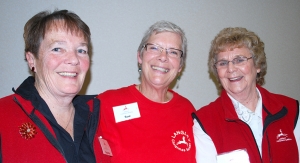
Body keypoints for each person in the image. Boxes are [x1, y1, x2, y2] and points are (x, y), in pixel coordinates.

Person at [0, 9, 109, 163]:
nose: (74, 59)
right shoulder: (3, 116)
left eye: (81, 50)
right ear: (32, 60)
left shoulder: (100, 117)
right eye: (57, 49)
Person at [92, 20, 196, 163]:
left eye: (173, 52)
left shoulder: (186, 110)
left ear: (180, 67)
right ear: (140, 57)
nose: (163, 57)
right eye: (154, 48)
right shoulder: (105, 104)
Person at [193, 27, 300, 163]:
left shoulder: (291, 110)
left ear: (257, 65)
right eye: (223, 63)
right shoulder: (205, 122)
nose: (231, 69)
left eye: (239, 60)